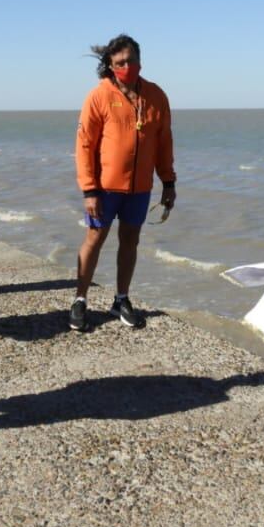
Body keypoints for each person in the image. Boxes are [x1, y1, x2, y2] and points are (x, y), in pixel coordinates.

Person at [71, 34, 176, 332]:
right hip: (104, 189)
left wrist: (168, 182)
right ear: (110, 65)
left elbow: (164, 142)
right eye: (119, 63)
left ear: (140, 61)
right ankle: (80, 299)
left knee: (130, 241)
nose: (126, 66)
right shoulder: (98, 96)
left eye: (131, 61)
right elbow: (84, 146)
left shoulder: (156, 96)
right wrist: (89, 189)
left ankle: (121, 298)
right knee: (95, 239)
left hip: (140, 189)